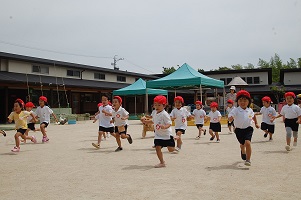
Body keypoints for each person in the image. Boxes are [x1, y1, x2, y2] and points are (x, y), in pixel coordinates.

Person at [141, 95, 176, 168]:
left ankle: (174, 138)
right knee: (157, 148)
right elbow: (153, 121)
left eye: (159, 105)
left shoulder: (165, 114)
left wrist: (164, 127)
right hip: (158, 135)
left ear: (164, 105)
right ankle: (162, 162)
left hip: (166, 135)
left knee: (171, 150)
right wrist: (146, 121)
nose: (157, 107)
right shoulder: (154, 112)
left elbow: (169, 123)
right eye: (155, 105)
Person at [228, 90, 259, 166]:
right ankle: (242, 150)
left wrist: (256, 123)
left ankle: (248, 160)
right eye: (240, 100)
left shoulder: (250, 110)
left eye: (245, 100)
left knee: (247, 143)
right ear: (237, 101)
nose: (242, 102)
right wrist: (230, 118)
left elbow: (253, 116)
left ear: (248, 102)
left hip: (248, 129)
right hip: (238, 130)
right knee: (242, 144)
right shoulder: (236, 110)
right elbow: (230, 117)